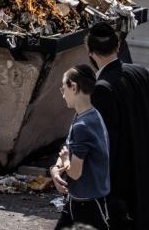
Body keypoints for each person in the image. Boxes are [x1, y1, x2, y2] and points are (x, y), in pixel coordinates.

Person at [86, 22, 149, 230]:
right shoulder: (140, 72)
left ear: (90, 52)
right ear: (118, 46)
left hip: (121, 181)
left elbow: (106, 144)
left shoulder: (101, 89)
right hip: (144, 168)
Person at [50, 64, 111, 230]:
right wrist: (55, 169)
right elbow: (68, 148)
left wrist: (64, 160)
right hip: (76, 199)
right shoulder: (89, 115)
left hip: (87, 204)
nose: (63, 95)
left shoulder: (83, 125)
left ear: (74, 87)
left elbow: (75, 173)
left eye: (64, 89)